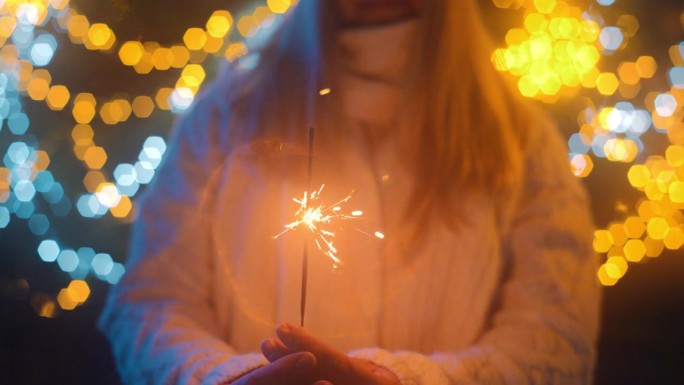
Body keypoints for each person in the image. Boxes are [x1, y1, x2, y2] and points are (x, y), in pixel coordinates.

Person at [98, 0, 601, 384]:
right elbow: (154, 301)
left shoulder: (515, 137)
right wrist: (222, 377)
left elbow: (554, 335)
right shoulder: (230, 113)